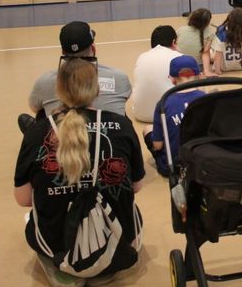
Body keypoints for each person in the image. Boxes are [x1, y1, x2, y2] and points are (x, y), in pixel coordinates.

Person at [14, 58, 144, 286]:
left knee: (34, 215)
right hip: (115, 240)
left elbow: (23, 199)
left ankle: (66, 265)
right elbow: (136, 186)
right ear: (97, 89)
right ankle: (101, 260)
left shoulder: (36, 133)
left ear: (58, 90)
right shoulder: (122, 126)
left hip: (55, 245)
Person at [27, 21, 131, 119]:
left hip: (62, 135)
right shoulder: (119, 77)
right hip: (109, 135)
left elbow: (34, 107)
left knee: (42, 114)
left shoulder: (44, 81)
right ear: (93, 48)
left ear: (63, 52)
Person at [143, 55, 205, 176]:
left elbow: (158, 145)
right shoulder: (205, 98)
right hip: (202, 162)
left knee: (147, 129)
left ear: (172, 79)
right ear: (199, 75)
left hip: (173, 167)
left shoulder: (164, 102)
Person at [131, 25, 182, 123]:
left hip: (141, 114)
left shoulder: (141, 57)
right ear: (173, 42)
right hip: (171, 116)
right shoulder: (179, 57)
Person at [204, 7, 242, 75]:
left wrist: (217, 71)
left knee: (210, 51)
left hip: (224, 67)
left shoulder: (221, 33)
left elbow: (218, 55)